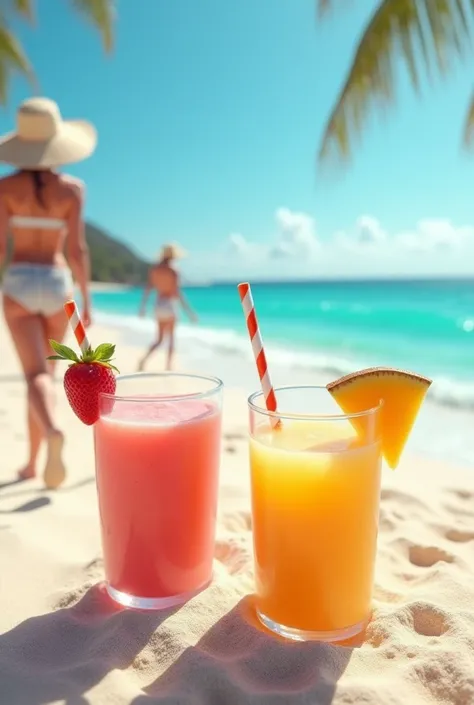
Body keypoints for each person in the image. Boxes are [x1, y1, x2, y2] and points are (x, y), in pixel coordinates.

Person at [0, 97, 96, 489]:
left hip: (19, 281)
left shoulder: (5, 187)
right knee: (48, 374)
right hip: (58, 284)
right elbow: (77, 250)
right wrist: (87, 300)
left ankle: (43, 446)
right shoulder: (72, 190)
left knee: (33, 375)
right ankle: (34, 460)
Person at [138, 243, 197, 371]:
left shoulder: (154, 269)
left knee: (159, 339)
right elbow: (177, 293)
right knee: (171, 339)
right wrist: (189, 312)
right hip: (170, 305)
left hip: (159, 305)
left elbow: (148, 289)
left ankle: (144, 359)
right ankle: (168, 367)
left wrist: (142, 307)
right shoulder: (174, 270)